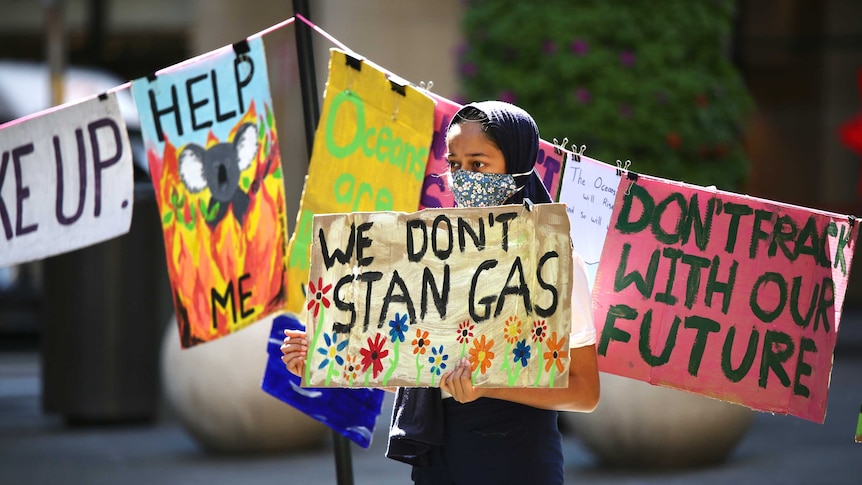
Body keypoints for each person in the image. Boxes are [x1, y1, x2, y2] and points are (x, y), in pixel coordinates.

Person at [282, 101, 599, 484]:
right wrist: (321, 354)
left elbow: (585, 392)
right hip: (437, 459)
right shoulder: (425, 259)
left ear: (516, 164)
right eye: (454, 164)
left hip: (518, 460)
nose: (464, 178)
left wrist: (487, 387)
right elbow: (401, 357)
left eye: (479, 164)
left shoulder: (554, 261)